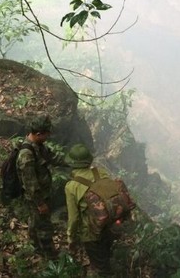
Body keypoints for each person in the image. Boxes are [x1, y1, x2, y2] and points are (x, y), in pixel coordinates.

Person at [16, 115, 68, 257]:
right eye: (46, 134)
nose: (48, 136)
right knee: (44, 227)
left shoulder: (38, 146)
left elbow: (53, 158)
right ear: (38, 134)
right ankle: (50, 255)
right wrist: (40, 203)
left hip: (42, 194)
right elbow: (30, 183)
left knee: (35, 222)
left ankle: (36, 246)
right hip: (37, 198)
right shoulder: (26, 155)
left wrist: (74, 162)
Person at [64, 144, 115, 277]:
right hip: (110, 223)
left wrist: (71, 238)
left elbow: (74, 218)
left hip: (91, 232)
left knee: (100, 266)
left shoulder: (71, 186)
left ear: (72, 164)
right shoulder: (101, 172)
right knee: (106, 254)